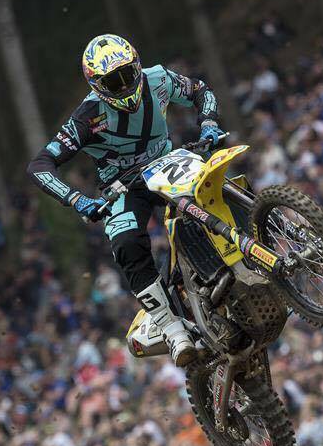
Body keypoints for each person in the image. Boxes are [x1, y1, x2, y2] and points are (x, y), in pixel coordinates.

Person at [27, 34, 225, 366]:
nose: (123, 86)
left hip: (168, 162)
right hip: (123, 187)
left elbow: (200, 90)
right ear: (96, 85)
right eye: (112, 82)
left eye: (127, 74)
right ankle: (171, 328)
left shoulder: (158, 78)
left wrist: (208, 122)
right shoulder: (87, 116)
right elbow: (40, 165)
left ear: (137, 64)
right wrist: (77, 199)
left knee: (214, 187)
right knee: (126, 243)